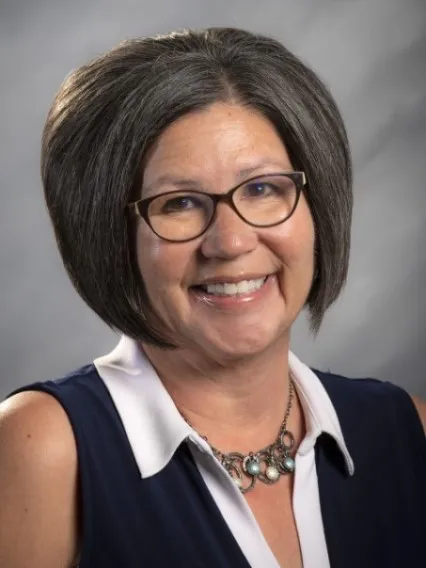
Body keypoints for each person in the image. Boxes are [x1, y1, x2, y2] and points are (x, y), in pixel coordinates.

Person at [0, 27, 425, 568]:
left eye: (264, 189)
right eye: (179, 202)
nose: (231, 242)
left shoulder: (405, 430)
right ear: (108, 234)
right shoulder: (43, 449)